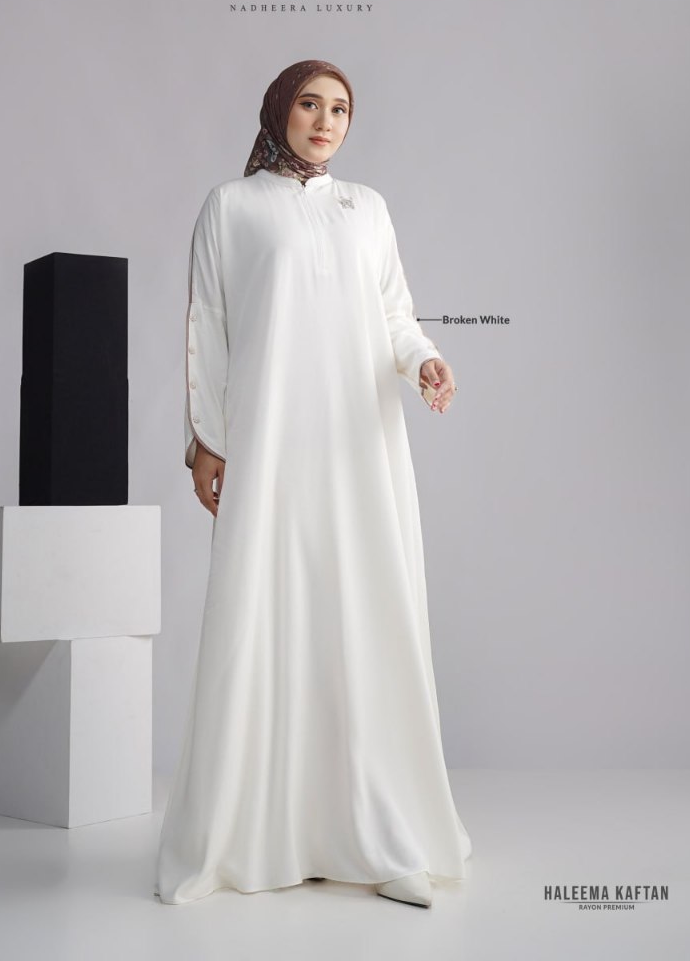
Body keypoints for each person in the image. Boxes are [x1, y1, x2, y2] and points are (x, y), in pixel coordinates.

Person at [155, 59, 472, 908]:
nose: (326, 121)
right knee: (270, 612)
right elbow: (209, 327)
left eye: (340, 109)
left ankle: (377, 832)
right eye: (309, 104)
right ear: (279, 111)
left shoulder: (367, 208)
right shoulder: (232, 207)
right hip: (271, 443)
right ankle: (259, 833)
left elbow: (394, 312)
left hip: (359, 445)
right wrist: (206, 442)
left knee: (362, 614)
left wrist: (424, 360)